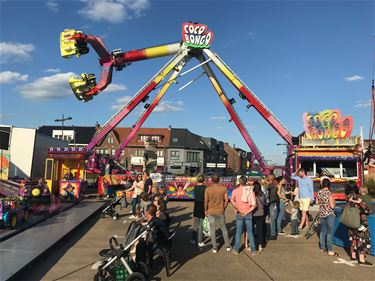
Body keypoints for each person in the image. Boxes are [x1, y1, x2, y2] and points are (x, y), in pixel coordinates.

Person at [345, 182, 373, 266]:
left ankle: (353, 257)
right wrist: (361, 203)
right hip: (360, 221)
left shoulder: (348, 197)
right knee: (363, 239)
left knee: (353, 238)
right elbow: (367, 210)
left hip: (351, 221)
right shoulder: (357, 197)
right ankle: (361, 260)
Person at [204, 174, 231, 253]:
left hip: (211, 211)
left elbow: (206, 201)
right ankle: (228, 246)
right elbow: (226, 200)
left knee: (212, 230)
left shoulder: (208, 189)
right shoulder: (223, 188)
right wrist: (224, 208)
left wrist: (205, 210)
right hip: (220, 211)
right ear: (219, 180)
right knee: (224, 228)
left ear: (212, 180)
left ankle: (215, 247)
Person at [231, 176, 257, 255]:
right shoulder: (250, 191)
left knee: (238, 232)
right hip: (248, 213)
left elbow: (232, 200)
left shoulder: (235, 191)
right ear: (246, 182)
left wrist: (238, 208)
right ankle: (253, 250)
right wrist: (247, 212)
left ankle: (236, 249)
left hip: (239, 213)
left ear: (239, 181)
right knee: (250, 232)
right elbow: (254, 205)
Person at [316, 178, 337, 256]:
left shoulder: (319, 192)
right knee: (330, 232)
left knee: (323, 231)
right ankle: (330, 250)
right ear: (328, 184)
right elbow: (332, 206)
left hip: (322, 214)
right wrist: (334, 199)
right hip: (329, 214)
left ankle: (322, 248)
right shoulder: (329, 193)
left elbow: (317, 202)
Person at [190, 174, 206, 247]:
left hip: (196, 205)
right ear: (204, 180)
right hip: (202, 206)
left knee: (195, 224)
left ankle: (193, 239)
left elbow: (195, 198)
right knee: (201, 224)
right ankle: (200, 241)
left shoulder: (195, 187)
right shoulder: (205, 188)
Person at [252, 180, 267, 252]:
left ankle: (253, 244)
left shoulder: (252, 194)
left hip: (253, 213)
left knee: (252, 229)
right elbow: (265, 202)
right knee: (260, 230)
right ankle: (260, 245)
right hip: (261, 214)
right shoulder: (262, 194)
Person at [267, 174, 279, 240]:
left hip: (271, 203)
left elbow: (273, 196)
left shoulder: (271, 186)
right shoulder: (274, 186)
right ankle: (272, 233)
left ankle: (273, 234)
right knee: (272, 219)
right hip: (272, 203)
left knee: (272, 219)